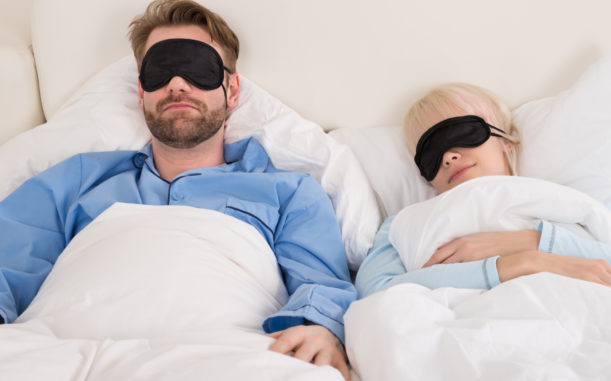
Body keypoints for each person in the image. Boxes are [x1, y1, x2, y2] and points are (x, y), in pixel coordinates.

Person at [0, 0, 353, 378]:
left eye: (197, 69)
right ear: (140, 94)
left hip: (224, 357)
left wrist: (322, 328)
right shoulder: (73, 180)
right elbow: (6, 264)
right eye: (161, 71)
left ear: (232, 90)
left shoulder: (289, 192)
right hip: (54, 354)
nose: (177, 84)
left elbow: (320, 285)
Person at [355, 82, 611, 310]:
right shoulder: (403, 226)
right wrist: (521, 264)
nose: (448, 157)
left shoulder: (593, 211)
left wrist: (533, 241)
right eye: (429, 155)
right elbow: (376, 296)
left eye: (462, 134)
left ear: (506, 140)